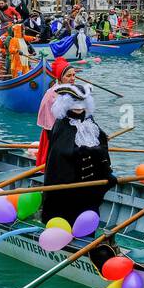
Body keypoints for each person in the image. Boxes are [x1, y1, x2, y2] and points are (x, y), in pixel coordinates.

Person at [41, 82, 116, 227]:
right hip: (69, 182)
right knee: (68, 215)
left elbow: (102, 145)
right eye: (74, 102)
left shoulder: (89, 120)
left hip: (92, 184)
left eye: (82, 102)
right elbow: (61, 151)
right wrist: (86, 150)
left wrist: (107, 172)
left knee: (89, 212)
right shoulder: (62, 124)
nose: (78, 107)